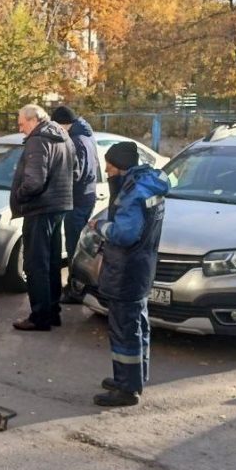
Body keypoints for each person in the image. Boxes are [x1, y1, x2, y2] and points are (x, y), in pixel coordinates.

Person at [88, 142, 169, 406]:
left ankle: (127, 389)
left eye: (111, 164)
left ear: (122, 166)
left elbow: (124, 234)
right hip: (140, 267)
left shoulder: (132, 194)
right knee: (137, 325)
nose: (107, 169)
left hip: (126, 270)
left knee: (125, 328)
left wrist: (100, 226)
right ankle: (134, 377)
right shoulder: (147, 185)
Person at [9, 104, 76, 331]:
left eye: (21, 124)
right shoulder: (63, 137)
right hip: (59, 206)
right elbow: (74, 172)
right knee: (52, 263)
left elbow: (34, 182)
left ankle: (40, 316)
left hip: (40, 209)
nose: (20, 130)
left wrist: (19, 195)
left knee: (36, 264)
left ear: (34, 120)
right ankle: (52, 311)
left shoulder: (38, 141)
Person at [50, 106, 98, 304]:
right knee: (78, 246)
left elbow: (75, 174)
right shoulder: (85, 137)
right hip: (84, 198)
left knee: (74, 248)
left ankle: (75, 290)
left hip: (76, 201)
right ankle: (76, 286)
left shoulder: (76, 141)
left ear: (62, 124)